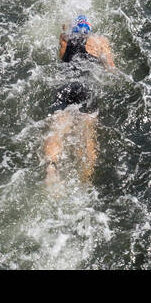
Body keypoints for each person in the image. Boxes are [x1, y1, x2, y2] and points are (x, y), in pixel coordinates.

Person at [43, 16, 115, 187]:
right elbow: (111, 68)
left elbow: (61, 56)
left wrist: (66, 27)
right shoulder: (100, 41)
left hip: (65, 87)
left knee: (57, 127)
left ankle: (51, 169)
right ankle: (85, 181)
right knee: (88, 134)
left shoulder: (65, 39)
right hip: (86, 88)